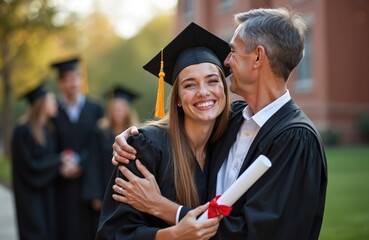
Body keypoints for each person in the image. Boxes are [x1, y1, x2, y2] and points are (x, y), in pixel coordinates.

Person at [112, 8, 328, 240]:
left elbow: (261, 233)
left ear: (257, 57)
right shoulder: (232, 120)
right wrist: (134, 137)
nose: (225, 61)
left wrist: (163, 208)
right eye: (190, 85)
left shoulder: (294, 139)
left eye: (232, 51)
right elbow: (184, 123)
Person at [96, 22, 231, 240]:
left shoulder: (231, 139)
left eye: (213, 81)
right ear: (177, 98)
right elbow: (112, 234)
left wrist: (159, 206)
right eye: (190, 85)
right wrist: (172, 235)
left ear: (224, 90)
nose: (204, 92)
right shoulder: (145, 148)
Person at [50, 56, 103, 240]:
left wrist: (81, 162)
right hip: (61, 181)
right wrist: (60, 163)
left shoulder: (96, 109)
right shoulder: (53, 111)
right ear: (60, 83)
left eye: (75, 77)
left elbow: (99, 145)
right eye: (67, 78)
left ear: (81, 79)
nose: (72, 82)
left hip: (89, 182)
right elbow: (49, 144)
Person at [11, 83, 61, 240]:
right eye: (51, 100)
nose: (55, 104)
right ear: (41, 103)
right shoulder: (23, 131)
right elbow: (29, 167)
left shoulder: (48, 130)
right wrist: (58, 161)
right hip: (31, 197)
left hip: (48, 194)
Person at [84, 86, 140, 217]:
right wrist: (95, 194)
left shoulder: (135, 134)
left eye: (121, 108)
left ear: (128, 110)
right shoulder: (100, 133)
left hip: (128, 191)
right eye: (115, 108)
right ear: (110, 111)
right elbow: (93, 163)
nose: (118, 112)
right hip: (104, 189)